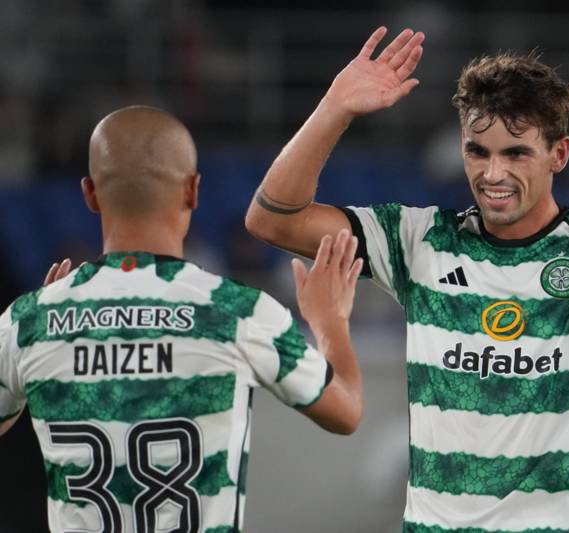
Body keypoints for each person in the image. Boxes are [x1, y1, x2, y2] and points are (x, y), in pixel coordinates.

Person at [245, 27, 569, 533]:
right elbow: (273, 220)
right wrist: (335, 108)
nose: (493, 173)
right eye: (478, 151)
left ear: (559, 154)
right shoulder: (418, 240)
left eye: (516, 153)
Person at [0, 105, 364, 532]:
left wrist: (38, 348)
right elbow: (346, 411)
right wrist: (330, 320)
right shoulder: (240, 311)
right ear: (192, 190)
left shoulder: (29, 321)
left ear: (90, 194)